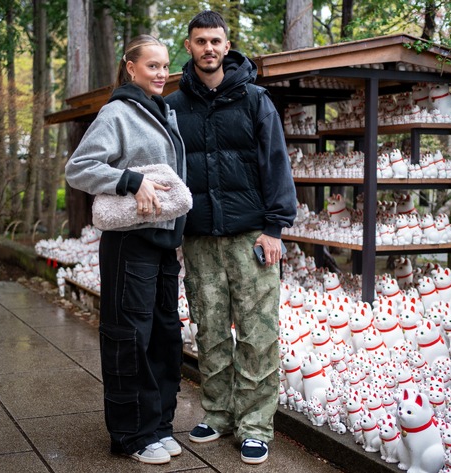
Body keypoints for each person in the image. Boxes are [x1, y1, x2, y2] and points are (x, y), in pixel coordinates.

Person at [165, 10, 296, 465]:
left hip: (251, 238)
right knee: (211, 330)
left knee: (259, 333)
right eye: (200, 41)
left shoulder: (255, 100)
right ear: (189, 47)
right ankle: (218, 414)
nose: (209, 49)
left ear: (227, 45)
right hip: (200, 238)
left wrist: (275, 227)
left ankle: (255, 424)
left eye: (216, 41)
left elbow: (276, 163)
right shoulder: (175, 105)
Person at [65, 35, 186, 465]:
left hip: (163, 243)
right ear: (130, 68)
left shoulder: (164, 111)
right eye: (151, 65)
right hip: (130, 243)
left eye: (165, 66)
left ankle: (158, 425)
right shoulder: (117, 113)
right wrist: (131, 181)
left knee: (164, 337)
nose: (160, 73)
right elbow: (79, 167)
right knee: (129, 337)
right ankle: (131, 434)